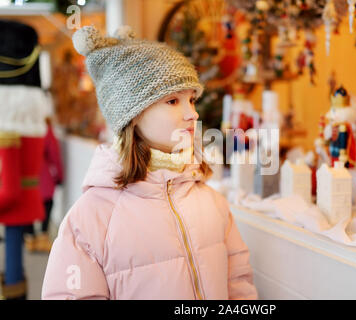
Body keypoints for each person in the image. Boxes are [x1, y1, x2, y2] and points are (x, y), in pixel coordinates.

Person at [41, 26, 258, 300]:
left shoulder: (212, 202)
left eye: (192, 100)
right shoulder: (91, 218)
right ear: (132, 116)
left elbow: (238, 284)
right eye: (172, 100)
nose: (192, 113)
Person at [0, 20, 48, 300]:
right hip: (22, 197)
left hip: (11, 197)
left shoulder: (9, 126)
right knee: (14, 256)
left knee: (13, 259)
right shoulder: (28, 118)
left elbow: (9, 188)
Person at [24, 117, 64, 253]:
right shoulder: (45, 127)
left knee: (27, 204)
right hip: (42, 174)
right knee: (47, 203)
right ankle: (42, 236)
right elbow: (54, 153)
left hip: (25, 174)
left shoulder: (21, 126)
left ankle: (29, 238)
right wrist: (59, 175)